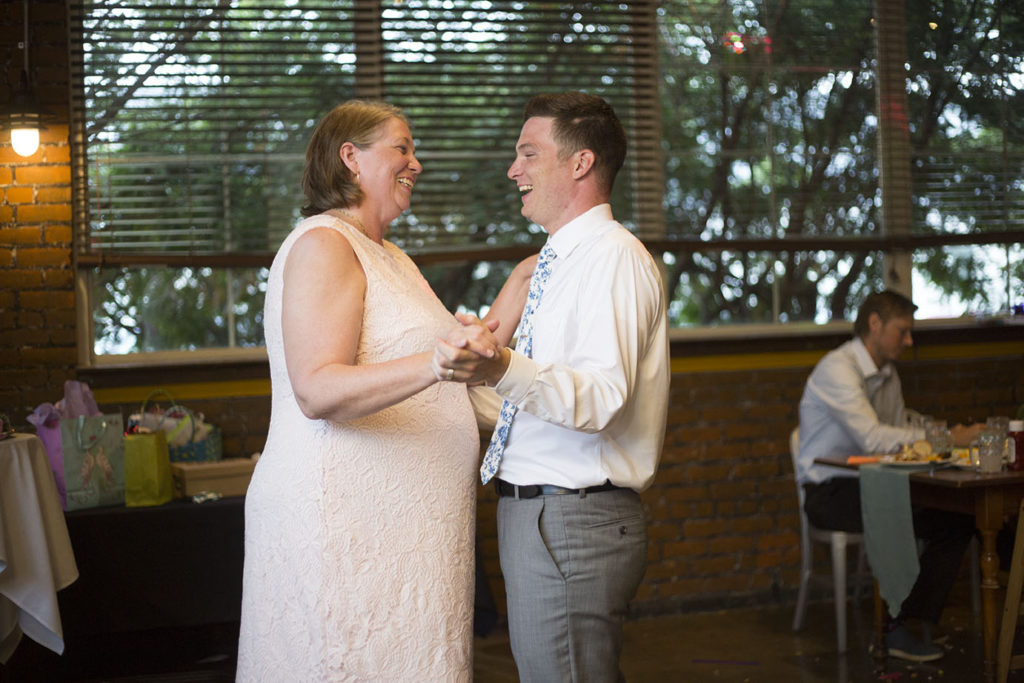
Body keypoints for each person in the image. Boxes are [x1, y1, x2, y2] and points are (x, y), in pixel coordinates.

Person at [236, 99, 534, 681]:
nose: (415, 163)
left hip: (410, 541)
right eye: (402, 147)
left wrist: (526, 275)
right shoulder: (324, 244)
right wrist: (435, 361)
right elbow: (317, 389)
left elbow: (457, 353)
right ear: (350, 157)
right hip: (346, 532)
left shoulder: (391, 256)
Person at [435, 91, 671, 682]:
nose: (514, 170)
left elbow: (598, 400)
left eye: (528, 153)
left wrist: (496, 366)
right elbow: (530, 407)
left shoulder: (613, 259)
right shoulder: (552, 264)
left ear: (581, 163)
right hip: (544, 517)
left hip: (572, 519)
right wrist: (457, 381)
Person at [797, 289, 982, 663]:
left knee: (957, 519)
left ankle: (907, 617)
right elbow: (875, 438)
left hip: (873, 483)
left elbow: (899, 447)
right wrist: (946, 437)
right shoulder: (838, 368)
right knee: (897, 514)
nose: (910, 341)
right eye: (903, 331)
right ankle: (895, 629)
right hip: (828, 491)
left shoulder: (888, 375)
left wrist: (940, 445)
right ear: (875, 324)